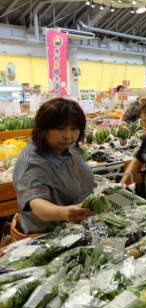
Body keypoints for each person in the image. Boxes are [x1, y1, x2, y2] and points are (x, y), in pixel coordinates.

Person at [12, 98, 96, 235]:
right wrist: (65, 213)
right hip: (50, 238)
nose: (68, 136)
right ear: (43, 129)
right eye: (60, 128)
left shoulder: (68, 149)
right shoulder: (33, 162)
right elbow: (38, 206)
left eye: (74, 128)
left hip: (78, 230)